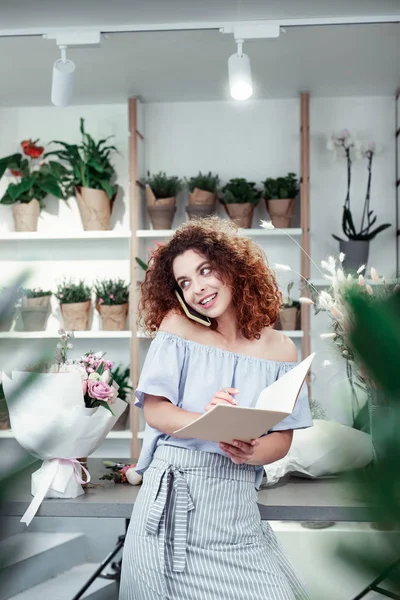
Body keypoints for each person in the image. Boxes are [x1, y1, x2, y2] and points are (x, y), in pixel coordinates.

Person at [119, 216, 312, 600]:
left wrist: (254, 450)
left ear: (233, 266)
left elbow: (283, 437)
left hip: (236, 510)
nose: (197, 288)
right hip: (171, 504)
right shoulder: (177, 329)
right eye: (184, 282)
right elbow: (155, 412)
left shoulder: (283, 350)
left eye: (205, 270)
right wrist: (207, 423)